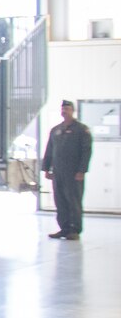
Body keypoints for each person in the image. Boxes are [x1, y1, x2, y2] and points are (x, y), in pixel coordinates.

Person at [43, 100, 93, 241]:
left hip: (74, 173)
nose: (64, 111)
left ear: (73, 111)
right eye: (63, 109)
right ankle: (64, 228)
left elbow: (86, 151)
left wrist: (82, 170)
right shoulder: (56, 130)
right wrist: (46, 168)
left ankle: (74, 229)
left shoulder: (82, 130)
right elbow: (50, 150)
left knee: (74, 201)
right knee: (60, 200)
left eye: (67, 108)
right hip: (58, 172)